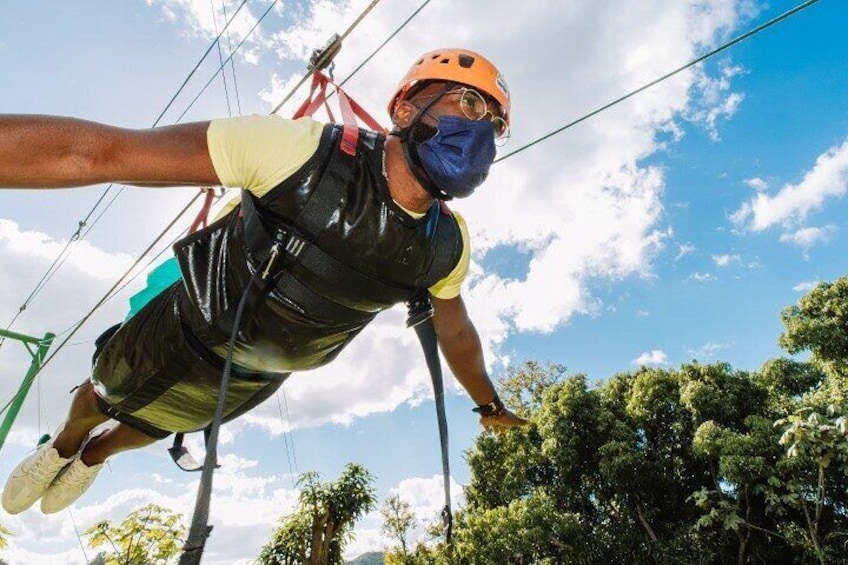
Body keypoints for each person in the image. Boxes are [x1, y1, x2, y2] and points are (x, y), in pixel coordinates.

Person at [0, 48, 528, 516]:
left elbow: (456, 335)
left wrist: (488, 406)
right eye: (471, 104)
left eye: (496, 124)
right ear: (406, 109)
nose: (483, 130)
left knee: (156, 423)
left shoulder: (446, 244)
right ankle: (66, 445)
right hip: (191, 324)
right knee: (106, 392)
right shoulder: (300, 152)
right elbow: (102, 153)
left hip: (260, 372)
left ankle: (93, 455)